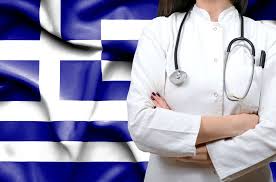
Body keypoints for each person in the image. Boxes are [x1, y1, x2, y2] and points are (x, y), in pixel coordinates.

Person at [126, 0, 276, 181]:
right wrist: (241, 124)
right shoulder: (159, 32)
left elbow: (273, 133)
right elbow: (141, 124)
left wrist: (207, 153)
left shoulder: (267, 37)